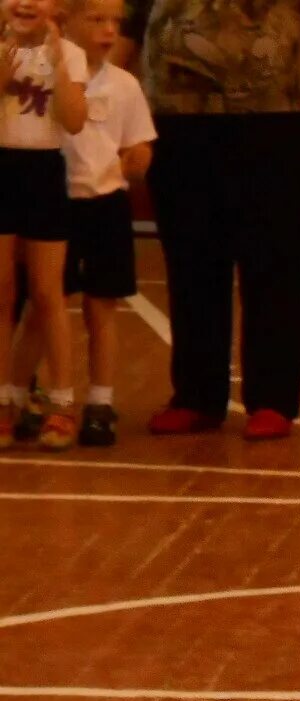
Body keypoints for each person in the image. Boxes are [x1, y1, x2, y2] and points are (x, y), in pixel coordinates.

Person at [121, 0, 300, 441]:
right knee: (190, 259)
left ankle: (273, 398)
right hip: (177, 114)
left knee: (278, 257)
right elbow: (131, 16)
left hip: (281, 113)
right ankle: (196, 395)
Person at [9, 0, 153, 449]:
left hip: (103, 203)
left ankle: (97, 401)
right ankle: (15, 395)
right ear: (66, 20)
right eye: (96, 20)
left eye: (115, 22)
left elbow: (137, 140)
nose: (109, 31)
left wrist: (136, 160)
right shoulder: (28, 60)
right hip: (55, 198)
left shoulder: (122, 83)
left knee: (100, 305)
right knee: (38, 302)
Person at [0, 0, 87, 452]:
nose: (24, 2)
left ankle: (62, 401)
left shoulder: (69, 53)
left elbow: (74, 120)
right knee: (2, 290)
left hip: (44, 172)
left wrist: (56, 66)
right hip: (2, 167)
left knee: (47, 292)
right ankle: (3, 405)